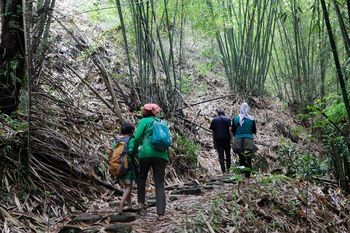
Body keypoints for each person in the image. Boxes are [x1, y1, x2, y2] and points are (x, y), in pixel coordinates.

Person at [132, 103, 169, 220]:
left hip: (146, 153)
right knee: (159, 183)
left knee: (141, 177)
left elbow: (137, 137)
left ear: (144, 112)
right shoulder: (163, 123)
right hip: (162, 154)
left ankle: (140, 203)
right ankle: (161, 214)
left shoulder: (144, 121)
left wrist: (133, 150)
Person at [231, 103, 258, 178]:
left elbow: (233, 130)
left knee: (241, 158)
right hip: (248, 140)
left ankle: (242, 176)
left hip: (238, 141)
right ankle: (247, 179)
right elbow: (254, 131)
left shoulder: (235, 119)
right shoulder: (251, 119)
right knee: (248, 159)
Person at [115, 122, 137, 214]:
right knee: (129, 186)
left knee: (127, 185)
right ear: (132, 131)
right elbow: (131, 151)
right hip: (128, 166)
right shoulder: (131, 140)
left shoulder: (117, 141)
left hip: (118, 166)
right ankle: (121, 203)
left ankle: (129, 205)